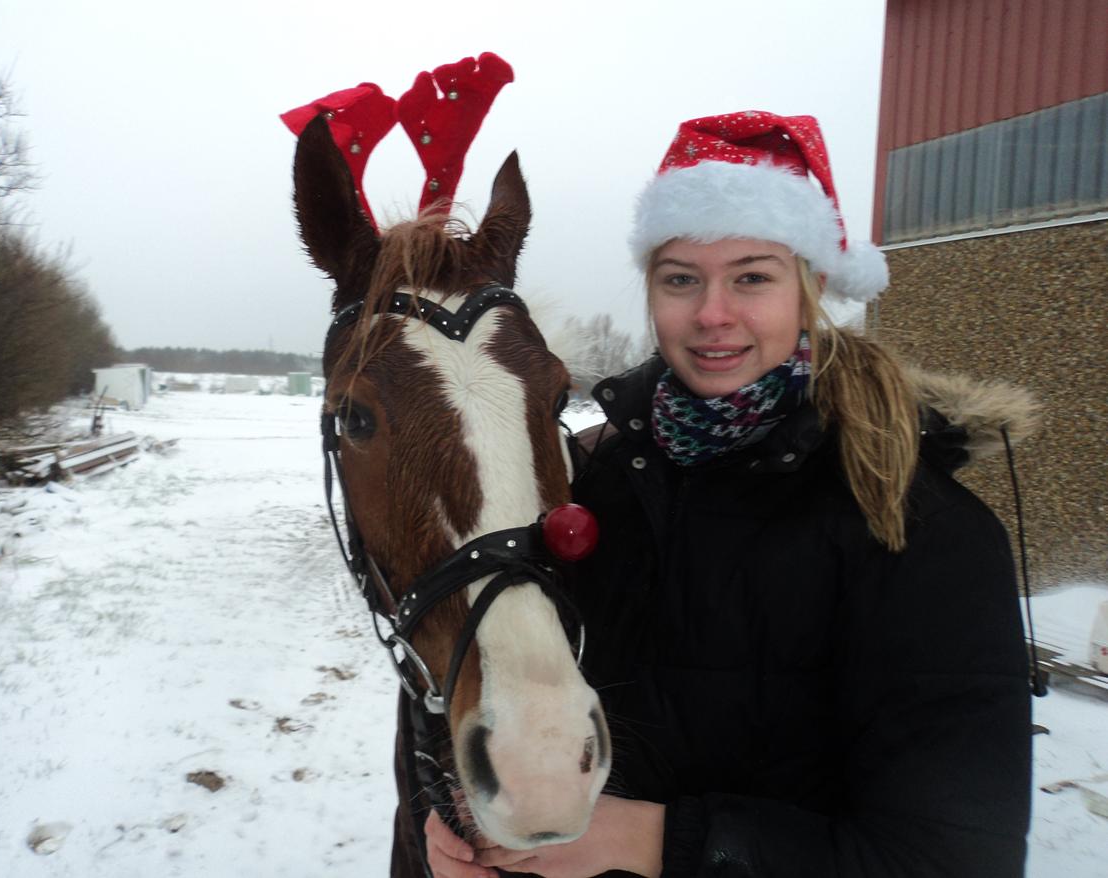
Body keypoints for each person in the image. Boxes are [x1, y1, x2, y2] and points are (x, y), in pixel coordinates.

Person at [424, 111, 1033, 877]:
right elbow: (494, 671)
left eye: (752, 277)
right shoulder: (599, 479)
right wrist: (466, 819)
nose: (712, 314)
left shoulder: (920, 527)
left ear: (810, 290)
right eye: (681, 278)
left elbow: (951, 860)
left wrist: (655, 842)